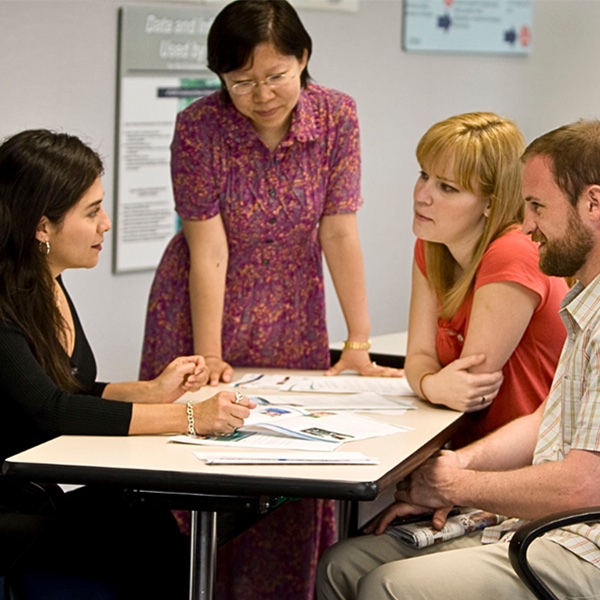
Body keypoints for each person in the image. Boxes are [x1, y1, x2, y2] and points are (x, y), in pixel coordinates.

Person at [139, 1, 398, 598]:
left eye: (276, 75)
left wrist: (358, 343)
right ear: (222, 80)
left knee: (289, 461)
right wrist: (209, 359)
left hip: (293, 301)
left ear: (303, 58)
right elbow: (209, 249)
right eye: (242, 82)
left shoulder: (337, 115)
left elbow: (338, 230)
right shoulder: (199, 126)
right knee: (200, 459)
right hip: (200, 299)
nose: (262, 94)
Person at [316, 118, 600, 600]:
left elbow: (584, 487)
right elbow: (545, 421)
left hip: (581, 541)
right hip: (542, 515)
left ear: (594, 204)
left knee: (389, 587)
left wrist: (458, 487)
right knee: (342, 565)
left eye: (536, 207)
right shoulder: (583, 302)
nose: (527, 224)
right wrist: (456, 469)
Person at [0, 128, 255, 598]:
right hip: (16, 512)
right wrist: (191, 417)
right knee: (153, 536)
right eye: (92, 212)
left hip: (48, 493)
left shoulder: (45, 279)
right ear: (41, 227)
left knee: (156, 525)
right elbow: (49, 410)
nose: (107, 224)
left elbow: (71, 387)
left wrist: (149, 391)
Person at [404, 112, 568, 447]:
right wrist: (430, 385)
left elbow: (471, 386)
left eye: (447, 187)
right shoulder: (431, 245)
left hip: (529, 460)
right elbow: (418, 357)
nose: (423, 195)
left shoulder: (513, 252)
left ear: (490, 205)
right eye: (424, 175)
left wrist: (427, 381)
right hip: (469, 449)